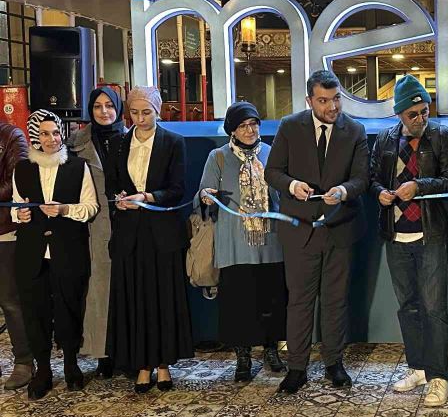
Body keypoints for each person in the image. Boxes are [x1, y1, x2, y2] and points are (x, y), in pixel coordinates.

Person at [265, 70, 369, 394]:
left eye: (336, 99)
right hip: (300, 230)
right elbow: (272, 172)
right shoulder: (289, 126)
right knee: (299, 301)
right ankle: (297, 368)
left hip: (340, 229)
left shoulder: (355, 130)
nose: (332, 107)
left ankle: (333, 363)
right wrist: (292, 185)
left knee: (335, 301)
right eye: (323, 101)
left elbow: (362, 178)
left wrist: (344, 190)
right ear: (309, 100)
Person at [369, 74, 448, 407]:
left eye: (425, 111)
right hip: (396, 235)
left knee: (434, 308)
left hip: (430, 233)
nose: (421, 118)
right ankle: (418, 368)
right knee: (407, 306)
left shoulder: (442, 136)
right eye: (413, 114)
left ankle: (438, 377)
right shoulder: (385, 139)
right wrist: (380, 193)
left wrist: (419, 187)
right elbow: (372, 178)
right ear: (399, 114)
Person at [105, 87, 194, 393]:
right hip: (129, 233)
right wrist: (119, 199)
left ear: (158, 111)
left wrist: (146, 197)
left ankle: (164, 364)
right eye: (134, 113)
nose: (140, 119)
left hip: (162, 233)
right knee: (135, 299)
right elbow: (111, 184)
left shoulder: (173, 142)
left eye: (147, 113)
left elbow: (178, 189)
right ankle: (142, 365)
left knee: (163, 298)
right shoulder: (118, 143)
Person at [12, 110, 98, 399]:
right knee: (35, 312)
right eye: (45, 134)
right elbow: (16, 207)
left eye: (56, 133)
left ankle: (71, 365)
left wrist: (64, 210)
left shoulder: (77, 167)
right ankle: (43, 371)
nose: (52, 139)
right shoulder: (22, 168)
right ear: (35, 137)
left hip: (68, 251)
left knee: (69, 309)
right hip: (31, 253)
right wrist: (21, 215)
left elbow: (90, 207)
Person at [199, 102, 287, 382]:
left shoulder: (271, 153)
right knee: (238, 304)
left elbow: (282, 193)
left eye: (253, 124)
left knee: (272, 299)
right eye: (242, 126)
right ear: (232, 131)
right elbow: (202, 193)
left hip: (271, 242)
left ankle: (271, 351)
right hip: (234, 243)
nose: (249, 130)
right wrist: (206, 196)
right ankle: (243, 357)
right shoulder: (218, 157)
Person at [67, 87, 126, 379]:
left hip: (128, 223)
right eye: (98, 106)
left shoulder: (131, 139)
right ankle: (103, 352)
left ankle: (128, 351)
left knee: (127, 289)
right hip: (93, 226)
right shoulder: (75, 144)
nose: (104, 112)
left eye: (109, 106)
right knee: (99, 290)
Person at [0, 119, 33, 390]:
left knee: (10, 301)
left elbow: (15, 182)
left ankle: (24, 361)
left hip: (4, 230)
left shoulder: (11, 136)